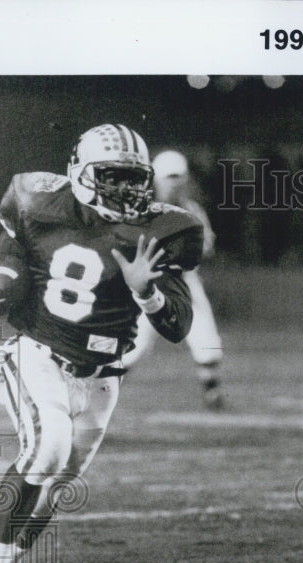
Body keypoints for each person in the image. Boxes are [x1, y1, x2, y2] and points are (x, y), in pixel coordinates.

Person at [0, 124, 201, 563]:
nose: (124, 189)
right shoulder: (38, 203)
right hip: (39, 355)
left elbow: (178, 327)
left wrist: (147, 293)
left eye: (134, 178)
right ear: (79, 172)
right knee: (46, 448)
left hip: (103, 377)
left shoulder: (163, 232)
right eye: (111, 177)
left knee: (60, 482)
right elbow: (3, 258)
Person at [121, 150, 225, 409]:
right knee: (136, 345)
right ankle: (100, 392)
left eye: (178, 177)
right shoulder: (138, 210)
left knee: (206, 337)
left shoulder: (192, 210)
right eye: (169, 177)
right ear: (155, 178)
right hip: (150, 282)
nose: (174, 182)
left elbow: (207, 249)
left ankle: (212, 394)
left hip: (184, 280)